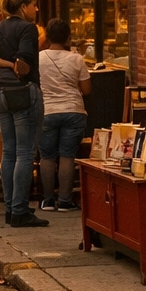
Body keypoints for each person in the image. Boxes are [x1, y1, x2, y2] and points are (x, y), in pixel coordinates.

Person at [0, 0, 48, 227]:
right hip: (22, 91)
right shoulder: (27, 28)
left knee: (8, 151)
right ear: (23, 7)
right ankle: (20, 210)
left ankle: (11, 208)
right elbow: (24, 63)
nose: (36, 9)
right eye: (34, 4)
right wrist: (15, 66)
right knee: (25, 152)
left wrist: (3, 64)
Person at [38, 18, 91, 212]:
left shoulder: (39, 58)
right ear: (68, 37)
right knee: (67, 156)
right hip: (73, 110)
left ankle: (48, 200)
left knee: (47, 157)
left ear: (47, 37)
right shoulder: (76, 58)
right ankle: (65, 201)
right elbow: (86, 89)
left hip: (47, 111)